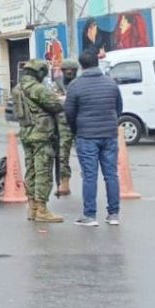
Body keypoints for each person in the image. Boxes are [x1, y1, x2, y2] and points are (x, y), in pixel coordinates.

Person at [64, 49, 123, 226]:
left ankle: (90, 216)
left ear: (81, 66)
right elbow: (118, 108)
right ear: (97, 63)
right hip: (109, 134)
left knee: (89, 176)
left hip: (86, 135)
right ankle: (113, 214)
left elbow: (69, 112)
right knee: (111, 175)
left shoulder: (75, 85)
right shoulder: (111, 83)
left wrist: (76, 129)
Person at [11, 59, 65, 223]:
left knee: (31, 170)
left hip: (27, 133)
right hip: (41, 135)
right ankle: (42, 209)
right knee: (43, 171)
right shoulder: (37, 88)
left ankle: (32, 207)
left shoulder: (18, 88)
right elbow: (55, 105)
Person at [52, 59, 79, 197]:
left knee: (86, 154)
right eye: (66, 70)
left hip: (80, 123)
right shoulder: (57, 84)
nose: (69, 72)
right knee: (62, 154)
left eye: (72, 70)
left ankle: (88, 182)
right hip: (63, 123)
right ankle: (64, 182)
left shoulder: (80, 83)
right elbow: (54, 101)